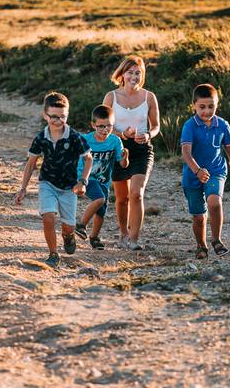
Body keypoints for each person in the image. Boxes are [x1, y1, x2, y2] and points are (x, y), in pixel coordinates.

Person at [15, 92, 92, 268]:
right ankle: (53, 254)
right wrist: (23, 188)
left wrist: (83, 181)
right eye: (53, 117)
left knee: (68, 226)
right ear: (45, 115)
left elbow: (88, 158)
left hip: (69, 187)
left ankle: (68, 236)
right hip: (47, 183)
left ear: (67, 115)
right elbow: (31, 163)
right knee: (48, 217)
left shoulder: (74, 136)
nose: (58, 120)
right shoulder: (41, 138)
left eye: (62, 116)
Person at [102, 56, 160, 250]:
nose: (134, 76)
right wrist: (121, 134)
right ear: (122, 74)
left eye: (138, 73)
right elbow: (102, 126)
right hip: (118, 149)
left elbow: (157, 126)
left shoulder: (149, 97)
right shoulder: (111, 97)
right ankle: (123, 234)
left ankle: (134, 240)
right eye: (130, 72)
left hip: (142, 149)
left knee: (136, 194)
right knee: (122, 197)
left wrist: (148, 135)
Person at [180, 84, 230, 259]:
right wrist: (197, 171)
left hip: (216, 170)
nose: (207, 111)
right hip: (192, 175)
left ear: (217, 104)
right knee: (198, 217)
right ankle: (201, 245)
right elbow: (186, 152)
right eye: (202, 107)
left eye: (211, 106)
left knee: (214, 203)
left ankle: (216, 239)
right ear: (194, 106)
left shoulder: (222, 124)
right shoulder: (190, 126)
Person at [74, 105, 129, 250]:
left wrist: (125, 158)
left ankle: (94, 237)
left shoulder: (115, 141)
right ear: (93, 125)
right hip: (86, 177)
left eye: (109, 126)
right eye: (101, 126)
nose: (105, 130)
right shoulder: (85, 140)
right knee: (100, 199)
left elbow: (122, 164)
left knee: (101, 211)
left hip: (104, 180)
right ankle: (81, 225)